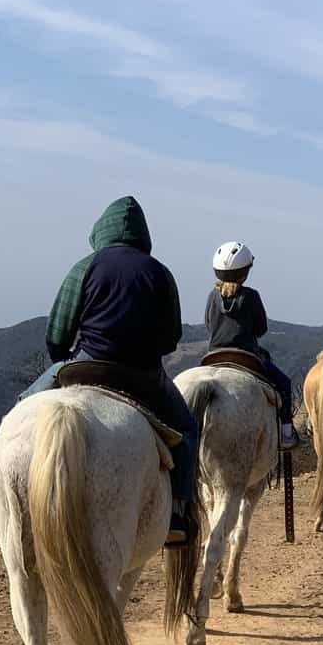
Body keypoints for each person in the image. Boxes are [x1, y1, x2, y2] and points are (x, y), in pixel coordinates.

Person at [20, 196, 198, 546]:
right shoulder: (160, 272)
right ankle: (178, 512)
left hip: (86, 362)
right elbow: (171, 338)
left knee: (21, 407)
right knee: (188, 431)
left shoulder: (84, 266)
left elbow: (57, 332)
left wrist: (63, 358)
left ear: (101, 230)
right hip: (142, 374)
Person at [204, 243, 301, 450]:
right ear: (244, 273)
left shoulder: (212, 296)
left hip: (213, 355)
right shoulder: (251, 296)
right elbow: (261, 329)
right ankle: (286, 433)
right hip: (245, 355)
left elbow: (208, 324)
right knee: (283, 383)